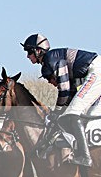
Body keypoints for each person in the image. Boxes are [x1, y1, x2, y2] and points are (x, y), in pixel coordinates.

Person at [22, 33, 100, 167]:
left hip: (96, 72)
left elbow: (64, 90)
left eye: (29, 52)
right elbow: (71, 93)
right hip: (95, 71)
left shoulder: (51, 58)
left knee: (71, 113)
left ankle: (84, 157)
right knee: (77, 112)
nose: (28, 56)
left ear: (38, 50)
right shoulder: (55, 59)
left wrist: (57, 111)